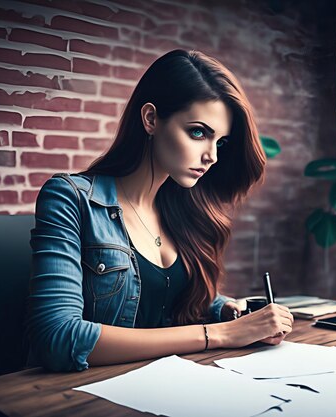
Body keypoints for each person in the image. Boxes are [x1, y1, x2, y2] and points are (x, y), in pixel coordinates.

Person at [26, 49, 294, 372]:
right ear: (151, 119)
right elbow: (60, 337)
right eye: (198, 132)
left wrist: (225, 310)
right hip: (84, 396)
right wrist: (218, 334)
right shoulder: (71, 199)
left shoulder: (183, 207)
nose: (212, 156)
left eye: (220, 142)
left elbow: (167, 293)